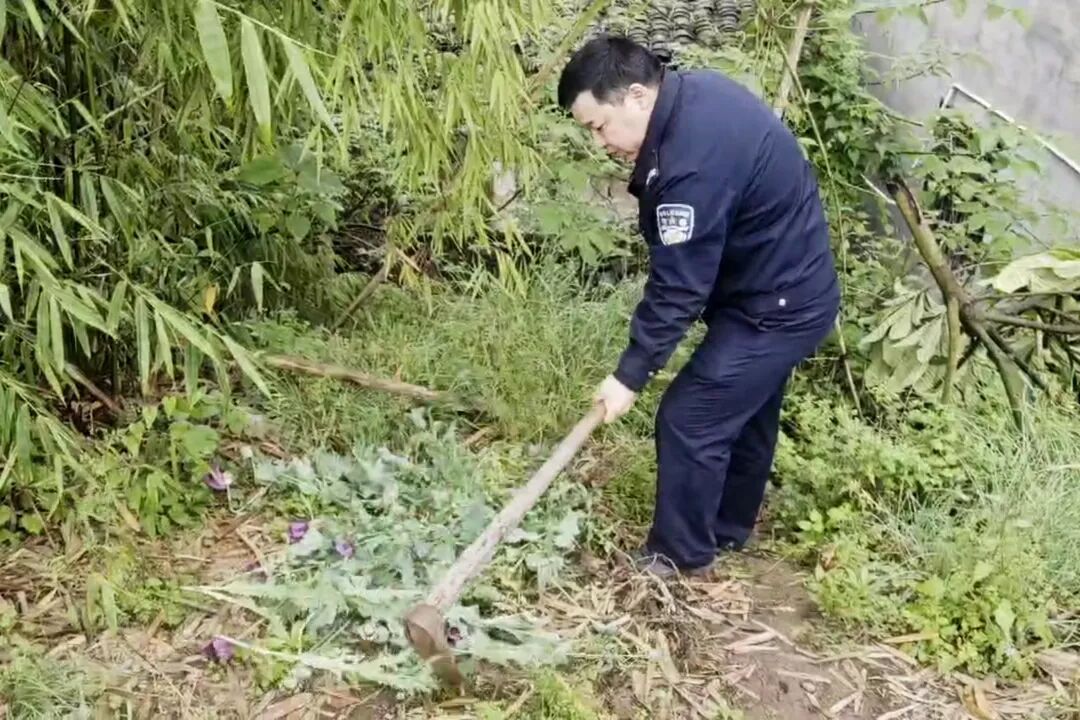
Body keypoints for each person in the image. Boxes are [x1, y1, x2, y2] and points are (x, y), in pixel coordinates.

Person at [557, 37, 841, 578]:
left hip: (778, 309)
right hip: (780, 288)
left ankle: (679, 554)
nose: (600, 143)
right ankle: (728, 528)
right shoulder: (696, 93)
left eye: (598, 126)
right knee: (745, 410)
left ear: (637, 95)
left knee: (689, 419)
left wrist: (629, 375)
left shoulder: (691, 165)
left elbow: (679, 288)